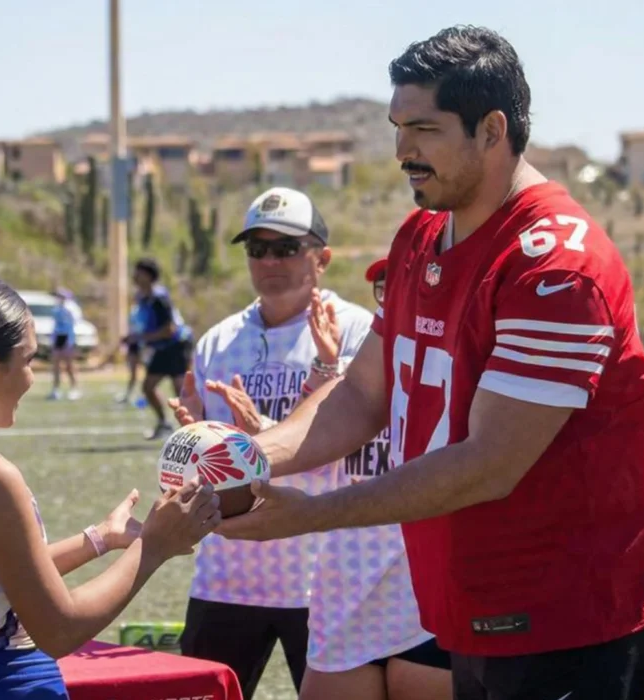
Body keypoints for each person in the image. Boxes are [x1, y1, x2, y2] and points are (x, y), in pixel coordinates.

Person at [215, 25, 644, 700]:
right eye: (398, 127)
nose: (402, 151)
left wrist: (308, 514)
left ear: (492, 129)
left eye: (424, 128)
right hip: (463, 604)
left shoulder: (556, 264)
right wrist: (249, 456)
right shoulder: (422, 233)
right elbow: (363, 393)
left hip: (564, 617)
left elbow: (488, 464)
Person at [0, 271, 219, 699]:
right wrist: (155, 545)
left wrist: (99, 539)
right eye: (29, 360)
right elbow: (59, 630)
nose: (32, 378)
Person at [169, 188, 450, 699]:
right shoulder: (217, 339)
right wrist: (194, 439)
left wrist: (266, 434)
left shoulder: (362, 331)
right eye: (257, 248)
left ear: (322, 258)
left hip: (318, 576)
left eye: (285, 247)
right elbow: (215, 456)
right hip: (228, 573)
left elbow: (365, 445)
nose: (270, 260)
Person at [126, 258, 191, 439]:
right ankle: (164, 424)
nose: (135, 276)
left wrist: (141, 338)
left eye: (138, 272)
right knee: (148, 387)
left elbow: (169, 329)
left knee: (181, 391)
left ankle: (194, 430)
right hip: (161, 348)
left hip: (176, 346)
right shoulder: (142, 298)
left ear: (148, 276)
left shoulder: (159, 298)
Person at [48, 287, 81, 401]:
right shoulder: (56, 309)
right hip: (58, 337)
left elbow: (75, 323)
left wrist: (71, 340)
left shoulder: (71, 309)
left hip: (67, 337)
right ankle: (55, 389)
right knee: (56, 365)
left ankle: (74, 388)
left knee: (69, 365)